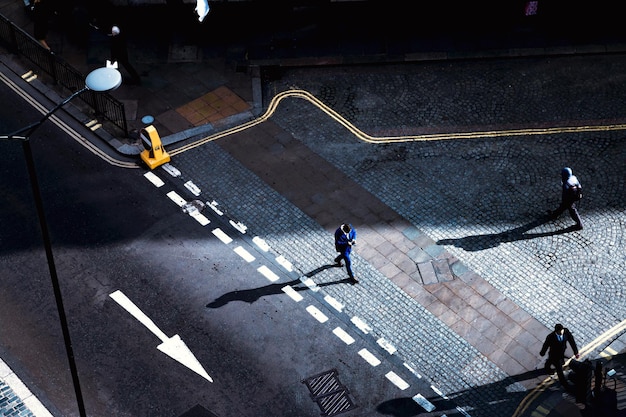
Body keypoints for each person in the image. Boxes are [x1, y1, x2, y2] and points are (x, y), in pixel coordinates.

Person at [540, 323, 580, 389]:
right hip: (554, 354)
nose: (562, 333)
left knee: (550, 361)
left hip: (561, 353)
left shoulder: (566, 331)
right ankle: (564, 383)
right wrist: (542, 352)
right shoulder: (550, 337)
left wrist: (576, 352)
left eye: (562, 331)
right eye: (560, 332)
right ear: (556, 331)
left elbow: (571, 341)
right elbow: (546, 345)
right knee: (559, 370)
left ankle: (547, 367)